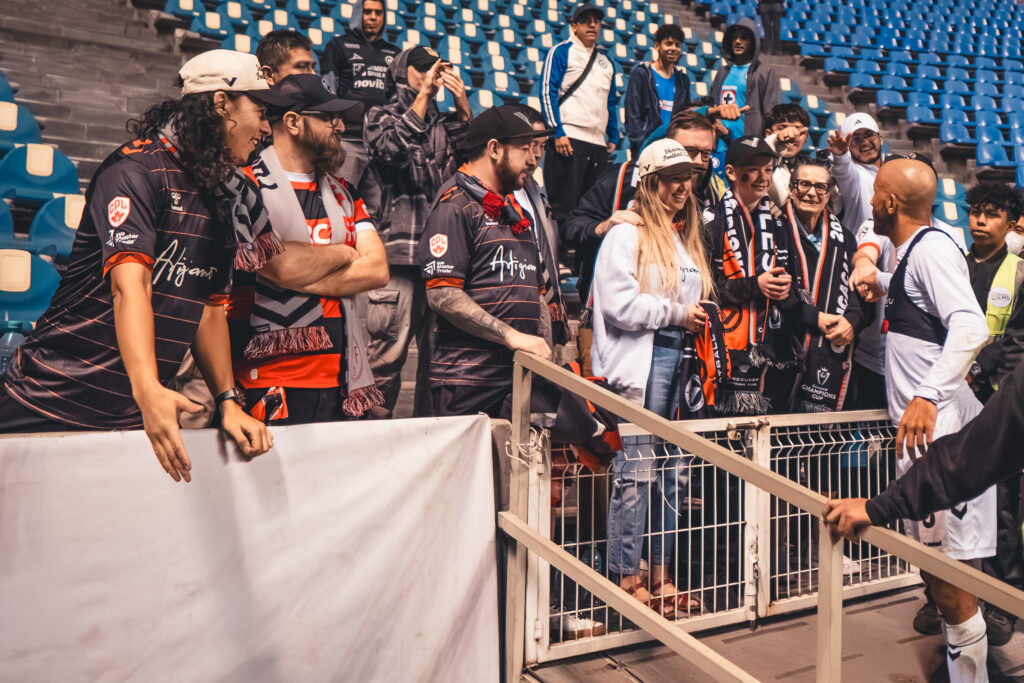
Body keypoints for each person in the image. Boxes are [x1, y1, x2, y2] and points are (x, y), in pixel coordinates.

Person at [0, 49, 278, 481]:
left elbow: (208, 308)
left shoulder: (224, 194)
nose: (267, 128)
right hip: (50, 396)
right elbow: (130, 288)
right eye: (260, 112)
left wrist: (227, 400)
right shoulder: (136, 171)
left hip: (130, 415)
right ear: (222, 104)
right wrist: (149, 388)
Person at [855, 159, 993, 682]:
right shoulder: (914, 252)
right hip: (923, 439)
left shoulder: (932, 250)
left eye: (876, 193)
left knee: (951, 581)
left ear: (891, 203)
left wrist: (928, 395)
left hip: (943, 437)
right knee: (937, 578)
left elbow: (971, 326)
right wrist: (881, 281)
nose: (871, 201)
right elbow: (914, 295)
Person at [591, 138, 718, 617]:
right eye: (670, 179)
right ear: (648, 182)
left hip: (680, 361)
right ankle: (627, 577)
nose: (681, 187)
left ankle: (661, 576)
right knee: (637, 473)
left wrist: (687, 319)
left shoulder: (683, 237)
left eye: (686, 177)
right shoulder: (626, 235)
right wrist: (678, 313)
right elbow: (619, 307)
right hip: (642, 365)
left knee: (675, 476)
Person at [229, 74, 389, 424]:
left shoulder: (344, 192)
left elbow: (378, 269)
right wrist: (346, 254)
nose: (340, 126)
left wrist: (297, 275)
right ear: (292, 121)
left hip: (340, 381)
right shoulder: (244, 187)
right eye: (329, 117)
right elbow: (282, 266)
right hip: (266, 381)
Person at [416, 106, 553, 418]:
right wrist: (511, 336)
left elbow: (536, 294)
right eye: (524, 149)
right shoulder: (455, 206)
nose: (533, 159)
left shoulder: (515, 213)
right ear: (494, 149)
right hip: (465, 383)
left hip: (515, 379)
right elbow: (442, 295)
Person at [362, 46, 471, 416]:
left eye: (435, 69)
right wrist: (424, 95)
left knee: (438, 365)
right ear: (400, 72)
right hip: (398, 260)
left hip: (441, 260)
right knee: (384, 362)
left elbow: (473, 161)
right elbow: (391, 150)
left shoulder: (444, 122)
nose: (431, 75)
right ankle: (370, 438)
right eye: (422, 68)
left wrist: (462, 104)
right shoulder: (380, 114)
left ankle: (426, 441)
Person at [564, 111, 725, 308]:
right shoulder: (623, 178)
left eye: (706, 154)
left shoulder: (709, 194)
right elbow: (571, 226)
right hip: (621, 310)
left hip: (681, 314)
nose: (699, 160)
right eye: (689, 151)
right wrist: (603, 227)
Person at [962, 183, 1024, 642]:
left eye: (993, 214)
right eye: (976, 212)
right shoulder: (952, 263)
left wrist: (978, 368)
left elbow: (1018, 339)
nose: (981, 220)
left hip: (998, 399)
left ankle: (1003, 603)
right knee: (955, 500)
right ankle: (945, 595)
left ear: (1010, 223)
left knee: (1003, 503)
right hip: (952, 396)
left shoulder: (1019, 272)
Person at [707, 136, 799, 415]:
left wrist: (786, 290)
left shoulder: (780, 222)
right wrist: (755, 286)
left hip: (770, 350)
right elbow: (705, 289)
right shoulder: (710, 220)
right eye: (753, 169)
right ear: (731, 172)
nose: (763, 177)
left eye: (768, 169)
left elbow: (793, 280)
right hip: (721, 349)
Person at [778, 158, 862, 412]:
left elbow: (860, 292)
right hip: (782, 351)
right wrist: (815, 318)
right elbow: (773, 292)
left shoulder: (844, 237)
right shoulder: (773, 226)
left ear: (828, 194)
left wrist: (851, 322)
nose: (811, 193)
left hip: (829, 351)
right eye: (804, 184)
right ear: (791, 188)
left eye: (820, 187)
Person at [540, 2, 620, 229]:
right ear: (574, 26)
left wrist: (613, 134)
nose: (592, 25)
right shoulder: (561, 51)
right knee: (563, 207)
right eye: (586, 21)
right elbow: (547, 91)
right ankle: (558, 249)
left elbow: (610, 101)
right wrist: (557, 131)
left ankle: (581, 250)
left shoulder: (607, 62)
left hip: (597, 144)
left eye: (596, 21)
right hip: (569, 139)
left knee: (592, 208)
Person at [321, 0, 399, 219]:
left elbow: (399, 98)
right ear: (358, 13)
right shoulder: (338, 46)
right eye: (367, 12)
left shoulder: (394, 53)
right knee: (338, 202)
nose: (373, 17)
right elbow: (327, 89)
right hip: (348, 141)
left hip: (380, 146)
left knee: (376, 210)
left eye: (378, 12)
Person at [505, 104, 569, 350]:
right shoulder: (500, 191)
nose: (537, 154)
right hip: (513, 304)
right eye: (531, 145)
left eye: (542, 146)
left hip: (541, 302)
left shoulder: (536, 191)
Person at [710, 18, 781, 142]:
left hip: (747, 142)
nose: (738, 41)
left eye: (744, 37)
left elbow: (771, 112)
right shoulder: (722, 72)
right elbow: (712, 104)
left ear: (753, 42)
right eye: (735, 37)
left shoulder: (765, 73)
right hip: (719, 140)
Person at [624, 24, 689, 154]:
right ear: (657, 46)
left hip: (673, 149)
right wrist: (640, 144)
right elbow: (632, 115)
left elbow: (685, 116)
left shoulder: (683, 80)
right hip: (646, 147)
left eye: (677, 45)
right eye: (669, 44)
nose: (673, 48)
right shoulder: (641, 75)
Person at [828, 112, 884, 235]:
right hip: (858, 246)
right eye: (856, 138)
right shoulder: (854, 175)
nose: (864, 142)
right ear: (847, 146)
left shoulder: (895, 170)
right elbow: (843, 170)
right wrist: (840, 155)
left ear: (880, 139)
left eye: (869, 135)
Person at [763, 103, 811, 207]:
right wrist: (776, 141)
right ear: (768, 134)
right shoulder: (760, 162)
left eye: (797, 129)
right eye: (782, 128)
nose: (791, 135)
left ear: (806, 137)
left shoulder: (812, 167)